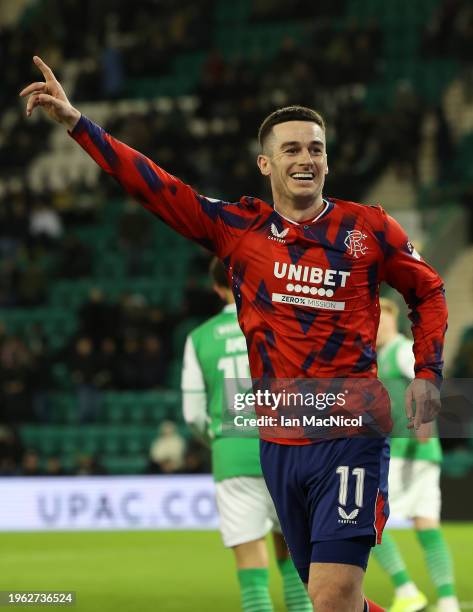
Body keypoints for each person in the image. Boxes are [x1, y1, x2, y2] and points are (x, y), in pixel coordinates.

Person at [21, 56, 448, 612]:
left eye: (316, 148)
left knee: (330, 596)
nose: (306, 158)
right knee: (334, 602)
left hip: (351, 431)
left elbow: (429, 291)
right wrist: (80, 125)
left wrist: (427, 373)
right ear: (265, 164)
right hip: (278, 443)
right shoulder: (239, 230)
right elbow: (157, 188)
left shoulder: (367, 229)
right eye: (291, 149)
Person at [182, 257, 312, 612]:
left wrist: (223, 440)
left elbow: (193, 415)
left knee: (251, 564)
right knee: (294, 552)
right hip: (286, 449)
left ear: (216, 289)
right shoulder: (282, 324)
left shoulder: (198, 339)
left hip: (233, 456)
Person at [371, 298, 460, 612]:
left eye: (380, 321)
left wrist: (423, 424)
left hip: (407, 451)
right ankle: (448, 600)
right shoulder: (381, 356)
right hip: (421, 453)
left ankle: (406, 589)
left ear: (392, 322)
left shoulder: (400, 351)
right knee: (426, 524)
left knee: (366, 518)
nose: (376, 327)